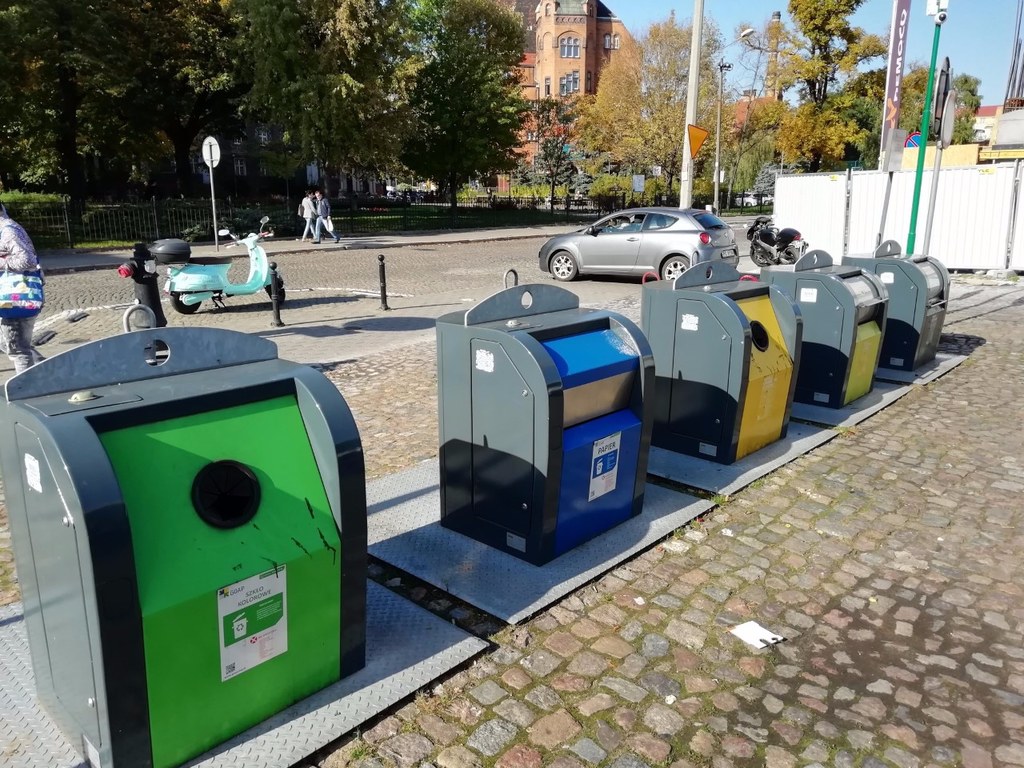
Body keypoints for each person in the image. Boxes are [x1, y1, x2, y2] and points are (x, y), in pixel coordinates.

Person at [0, 203, 45, 374]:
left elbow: (27, 260)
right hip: (10, 297)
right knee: (5, 343)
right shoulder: (5, 230)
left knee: (18, 350)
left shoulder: (9, 231)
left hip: (16, 298)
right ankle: (47, 370)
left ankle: (27, 390)